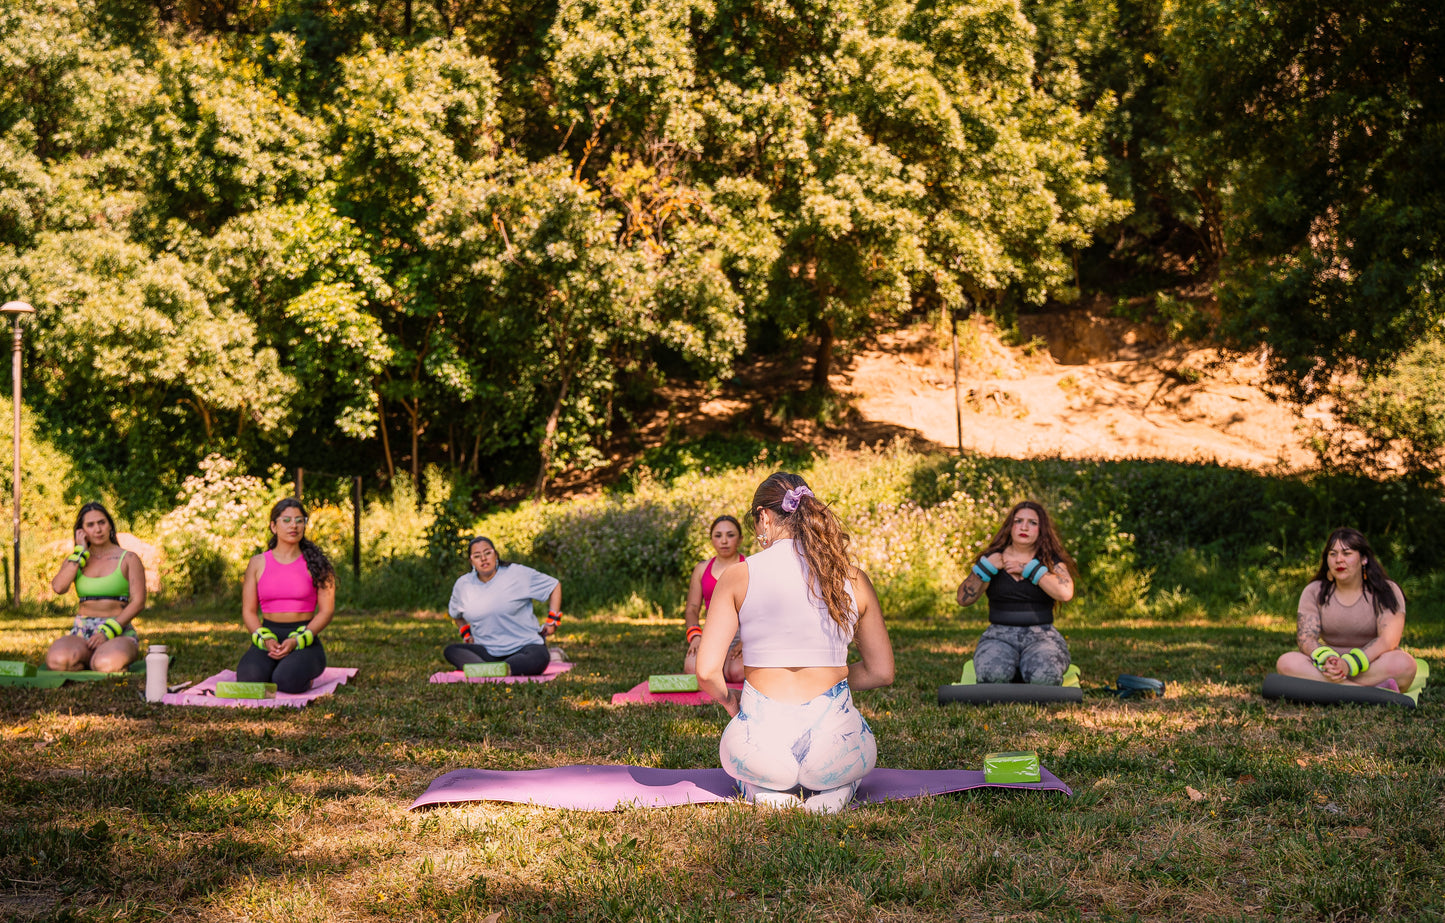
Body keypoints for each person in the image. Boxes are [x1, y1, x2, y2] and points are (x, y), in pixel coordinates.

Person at [698, 473, 894, 814]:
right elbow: (881, 672)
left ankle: (764, 792)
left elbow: (706, 672)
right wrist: (836, 677)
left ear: (763, 517)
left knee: (748, 757)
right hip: (836, 746)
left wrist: (734, 707)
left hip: (758, 745)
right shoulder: (851, 577)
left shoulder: (738, 576)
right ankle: (836, 791)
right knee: (848, 757)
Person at [1275, 527, 1416, 691]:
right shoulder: (1314, 590)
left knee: (1405, 664)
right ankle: (1365, 691)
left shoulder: (1386, 590)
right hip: (1328, 667)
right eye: (1333, 554)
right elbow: (1306, 639)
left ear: (1364, 559)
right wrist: (1329, 661)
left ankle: (1336, 688)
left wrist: (1349, 664)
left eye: (1347, 553)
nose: (1339, 560)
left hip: (1371, 665)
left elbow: (1388, 641)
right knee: (1286, 663)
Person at [955, 500, 1077, 684]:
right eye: (1018, 521)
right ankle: (1014, 668)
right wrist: (985, 568)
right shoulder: (993, 558)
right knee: (992, 675)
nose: (1024, 527)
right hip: (998, 636)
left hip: (1043, 636)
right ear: (1010, 526)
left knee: (1044, 677)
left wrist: (1030, 569)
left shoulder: (1050, 562)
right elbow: (963, 599)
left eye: (1033, 523)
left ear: (1041, 529)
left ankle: (1028, 668)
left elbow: (1065, 593)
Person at [237, 498, 336, 694]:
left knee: (287, 681)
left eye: (300, 520)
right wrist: (264, 640)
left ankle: (294, 670)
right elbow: (248, 611)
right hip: (269, 637)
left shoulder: (318, 564)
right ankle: (274, 665)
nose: (294, 525)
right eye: (287, 520)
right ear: (273, 526)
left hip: (303, 638)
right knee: (249, 680)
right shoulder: (256, 563)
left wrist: (297, 641)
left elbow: (326, 611)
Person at [47, 502, 146, 672]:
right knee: (57, 661)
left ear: (110, 526)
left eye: (102, 522)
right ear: (81, 530)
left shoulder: (129, 558)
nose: (97, 529)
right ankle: (88, 656)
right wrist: (80, 552)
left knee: (104, 664)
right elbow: (59, 587)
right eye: (90, 525)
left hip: (118, 629)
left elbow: (138, 602)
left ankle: (102, 657)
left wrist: (108, 632)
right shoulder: (76, 560)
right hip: (82, 630)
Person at [445, 537, 562, 676]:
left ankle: (492, 669)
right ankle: (496, 669)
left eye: (487, 553)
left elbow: (554, 585)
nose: (483, 558)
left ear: (496, 554)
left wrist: (552, 621)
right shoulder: (463, 584)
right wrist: (466, 634)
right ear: (471, 562)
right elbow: (455, 614)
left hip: (524, 646)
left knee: (538, 657)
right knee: (451, 651)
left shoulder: (517, 573)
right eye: (477, 556)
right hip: (487, 651)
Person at [683, 515, 746, 681]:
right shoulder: (701, 569)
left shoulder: (749, 566)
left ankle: (725, 667)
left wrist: (747, 641)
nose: (724, 541)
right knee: (692, 668)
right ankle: (719, 667)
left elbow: (762, 610)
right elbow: (692, 609)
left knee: (737, 672)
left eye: (730, 535)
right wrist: (695, 636)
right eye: (718, 536)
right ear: (711, 539)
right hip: (712, 632)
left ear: (740, 539)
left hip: (743, 633)